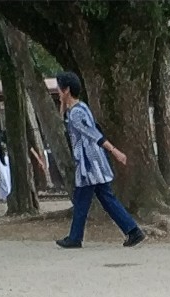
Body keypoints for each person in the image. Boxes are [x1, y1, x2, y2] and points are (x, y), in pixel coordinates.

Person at [54, 69, 145, 249]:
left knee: (82, 200)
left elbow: (94, 134)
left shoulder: (76, 113)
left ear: (66, 90)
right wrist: (63, 103)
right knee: (105, 198)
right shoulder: (80, 107)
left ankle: (75, 237)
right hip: (93, 162)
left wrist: (115, 151)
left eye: (59, 88)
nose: (57, 91)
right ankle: (132, 230)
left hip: (89, 163)